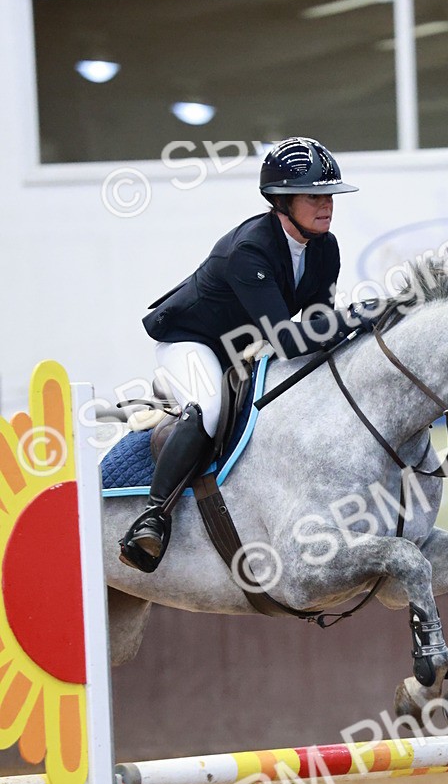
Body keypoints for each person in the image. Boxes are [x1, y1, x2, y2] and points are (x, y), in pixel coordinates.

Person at [119, 136, 358, 572]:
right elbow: (288, 340)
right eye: (314, 196)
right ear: (281, 201)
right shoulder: (251, 250)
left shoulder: (325, 248)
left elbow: (318, 325)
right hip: (191, 341)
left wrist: (351, 325)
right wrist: (356, 317)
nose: (326, 204)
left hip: (243, 346)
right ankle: (152, 517)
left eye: (329, 195)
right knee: (208, 408)